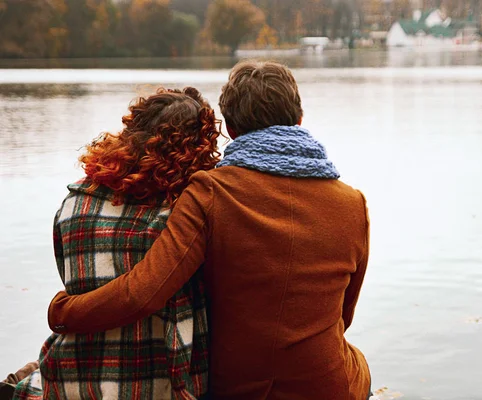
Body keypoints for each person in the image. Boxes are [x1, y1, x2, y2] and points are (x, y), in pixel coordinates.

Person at [47, 61, 372, 400]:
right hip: (328, 384)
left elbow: (144, 292)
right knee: (356, 361)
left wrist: (62, 313)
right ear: (300, 120)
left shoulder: (209, 192)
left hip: (237, 387)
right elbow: (343, 316)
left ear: (230, 128)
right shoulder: (353, 203)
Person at [4, 87, 220, 399]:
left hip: (72, 378)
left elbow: (71, 280)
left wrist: (62, 314)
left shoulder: (74, 203)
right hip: (155, 383)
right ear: (196, 150)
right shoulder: (182, 215)